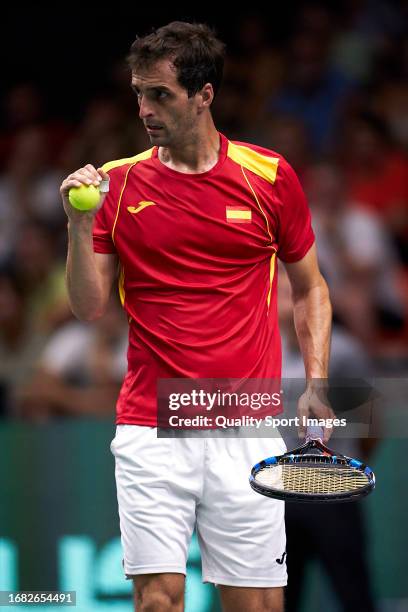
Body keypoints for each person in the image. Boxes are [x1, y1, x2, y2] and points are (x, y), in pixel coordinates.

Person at [59, 21, 333, 612]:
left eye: (160, 94)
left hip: (245, 426)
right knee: (157, 602)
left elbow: (310, 289)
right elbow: (88, 307)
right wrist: (81, 226)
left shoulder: (268, 177)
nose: (144, 108)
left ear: (204, 94)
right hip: (151, 425)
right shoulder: (117, 184)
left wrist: (317, 382)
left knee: (256, 605)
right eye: (138, 92)